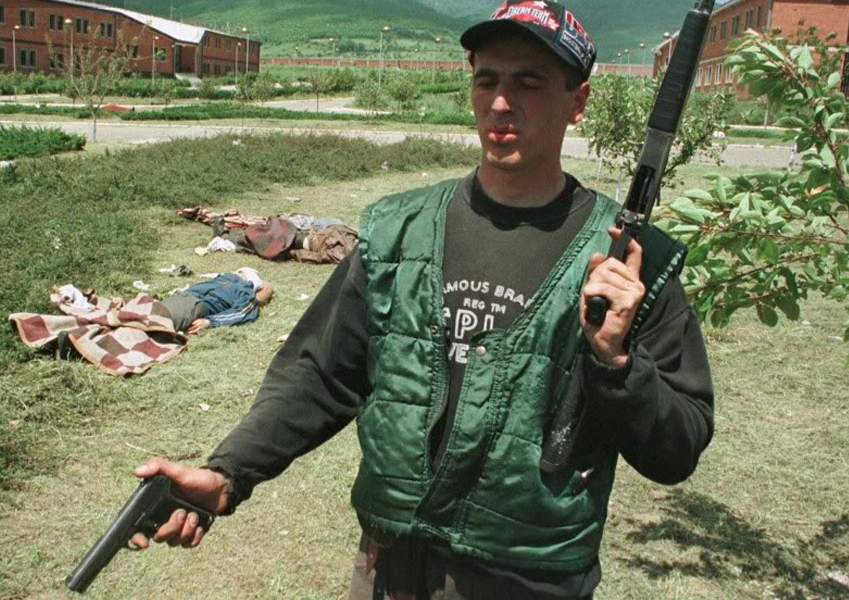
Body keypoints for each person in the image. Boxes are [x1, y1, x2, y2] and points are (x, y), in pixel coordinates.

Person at [129, 2, 715, 598]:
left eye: (529, 82)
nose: (501, 102)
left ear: (578, 101)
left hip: (529, 580)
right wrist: (228, 473)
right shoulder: (399, 232)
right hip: (391, 570)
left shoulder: (628, 263)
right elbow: (319, 374)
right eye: (486, 79)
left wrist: (617, 364)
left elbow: (679, 447)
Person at [161, 267, 274, 335]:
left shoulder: (245, 292)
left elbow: (241, 313)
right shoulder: (218, 279)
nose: (235, 273)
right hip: (181, 298)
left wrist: (210, 322)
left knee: (158, 321)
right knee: (153, 313)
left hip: (193, 305)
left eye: (240, 272)